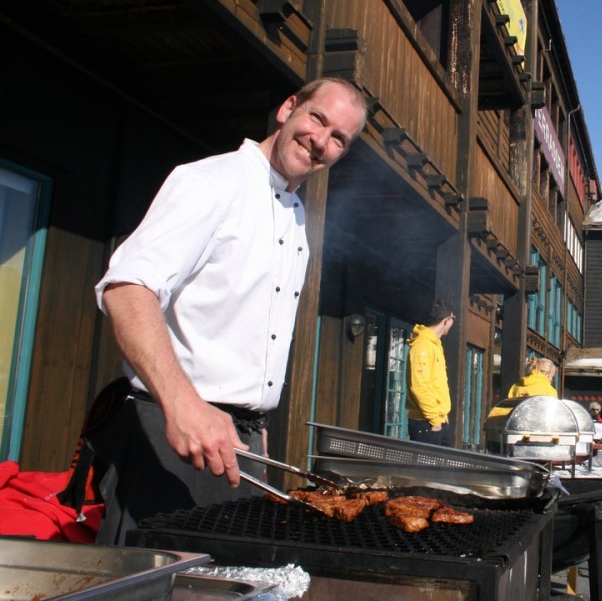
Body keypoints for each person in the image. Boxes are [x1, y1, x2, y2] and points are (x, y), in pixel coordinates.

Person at [84, 78, 368, 545]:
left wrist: (253, 422)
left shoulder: (297, 215)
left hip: (240, 445)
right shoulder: (210, 181)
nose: (320, 141)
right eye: (317, 119)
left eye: (339, 137)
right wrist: (184, 405)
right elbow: (127, 289)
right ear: (288, 108)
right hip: (173, 436)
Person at [406, 300, 457, 446]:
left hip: (437, 420)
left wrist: (442, 417)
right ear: (446, 320)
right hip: (426, 423)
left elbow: (436, 384)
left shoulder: (435, 345)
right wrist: (434, 420)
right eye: (453, 319)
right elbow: (419, 386)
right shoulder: (422, 346)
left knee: (446, 461)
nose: (453, 323)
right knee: (429, 462)